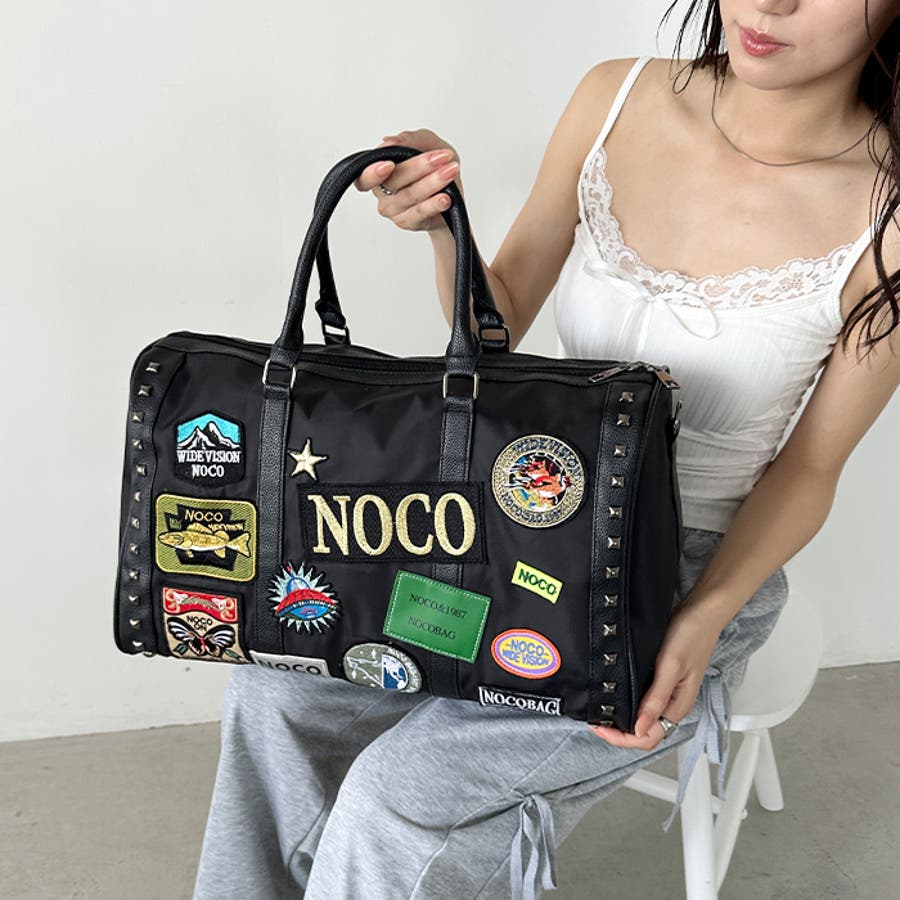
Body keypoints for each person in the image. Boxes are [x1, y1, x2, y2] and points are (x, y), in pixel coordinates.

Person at [194, 2, 900, 898]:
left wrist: (702, 620)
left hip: (677, 584)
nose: (771, 2)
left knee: (399, 797)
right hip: (510, 533)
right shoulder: (617, 97)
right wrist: (446, 224)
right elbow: (497, 333)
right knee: (277, 694)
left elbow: (809, 470)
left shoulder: (887, 213)